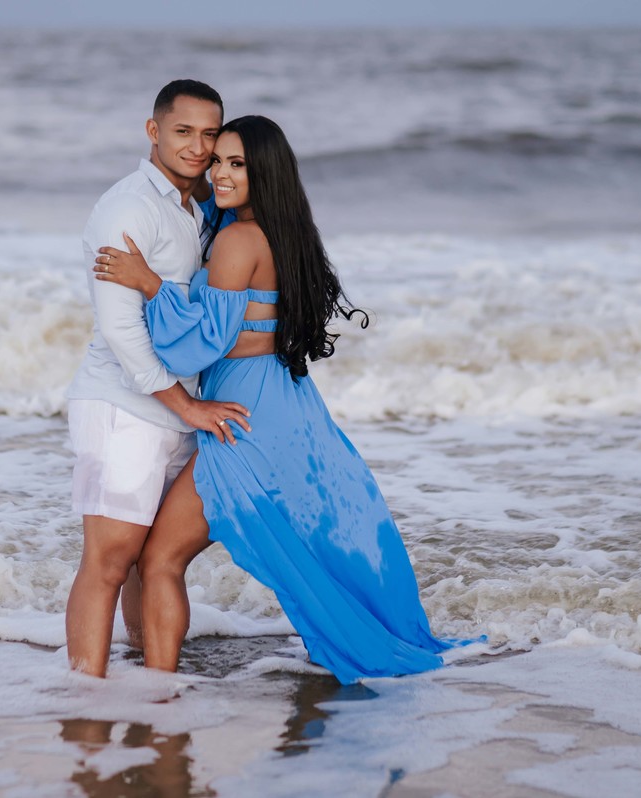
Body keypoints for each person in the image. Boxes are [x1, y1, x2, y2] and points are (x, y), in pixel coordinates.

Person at [93, 115, 471, 684]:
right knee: (308, 541)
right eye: (216, 161)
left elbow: (203, 344)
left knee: (160, 558)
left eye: (236, 164)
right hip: (282, 401)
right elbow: (252, 327)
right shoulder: (279, 232)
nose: (219, 173)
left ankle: (159, 691)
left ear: (264, 172)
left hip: (242, 417)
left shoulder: (236, 240)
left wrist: (148, 284)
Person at [63, 80, 252, 678]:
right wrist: (187, 407)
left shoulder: (200, 208)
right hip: (124, 405)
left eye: (208, 134)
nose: (197, 146)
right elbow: (122, 332)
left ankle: (147, 687)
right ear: (153, 131)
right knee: (109, 561)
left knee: (150, 560)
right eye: (182, 131)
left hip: (176, 408)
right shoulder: (128, 209)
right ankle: (85, 697)